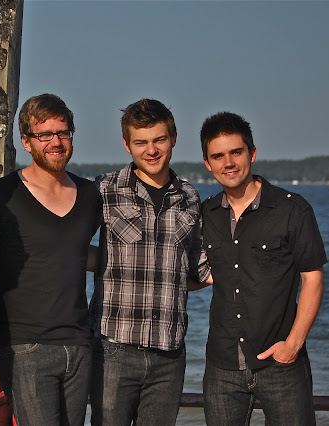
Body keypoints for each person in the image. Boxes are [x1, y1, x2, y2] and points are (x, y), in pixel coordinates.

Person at [0, 93, 102, 426]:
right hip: (25, 346)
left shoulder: (90, 194)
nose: (56, 142)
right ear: (26, 141)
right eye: (44, 134)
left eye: (63, 132)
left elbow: (78, 252)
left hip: (79, 343)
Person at [199, 112, 326, 425]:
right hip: (222, 366)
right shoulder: (206, 214)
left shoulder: (292, 209)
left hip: (281, 364)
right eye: (218, 156)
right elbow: (199, 273)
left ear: (252, 153)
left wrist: (293, 345)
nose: (228, 163)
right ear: (207, 164)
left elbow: (312, 279)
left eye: (236, 152)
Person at [89, 99, 211, 426]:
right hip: (113, 349)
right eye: (141, 142)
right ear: (127, 144)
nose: (151, 150)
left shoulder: (189, 197)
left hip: (169, 353)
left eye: (159, 140)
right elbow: (68, 242)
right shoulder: (104, 189)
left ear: (174, 138)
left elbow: (197, 268)